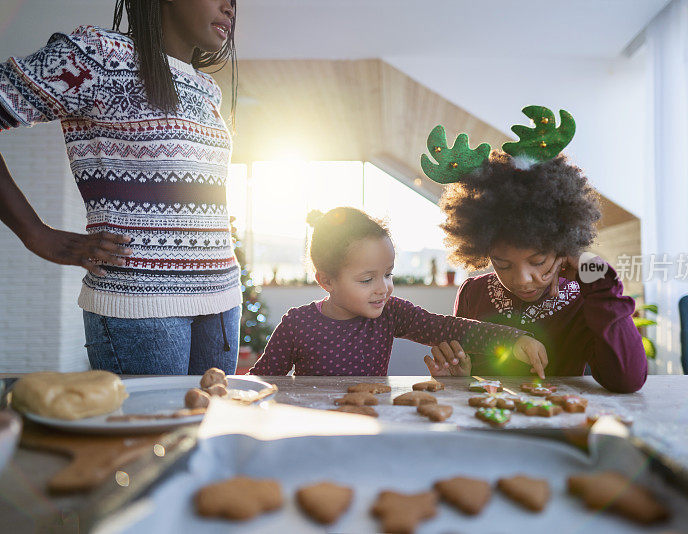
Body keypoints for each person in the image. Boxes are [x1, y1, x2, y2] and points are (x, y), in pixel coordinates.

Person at [0, 0, 242, 374]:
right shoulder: (97, 56)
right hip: (140, 308)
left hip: (222, 301)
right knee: (148, 433)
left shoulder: (207, 87)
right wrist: (35, 233)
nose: (230, 7)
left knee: (207, 430)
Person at [248, 207, 548, 376]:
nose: (383, 288)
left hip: (373, 426)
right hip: (316, 433)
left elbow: (446, 327)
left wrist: (512, 338)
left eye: (388, 274)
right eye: (367, 279)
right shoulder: (297, 324)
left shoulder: (391, 312)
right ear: (327, 281)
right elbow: (262, 380)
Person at [438, 150, 647, 392]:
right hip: (489, 425)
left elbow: (627, 380)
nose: (522, 279)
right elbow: (469, 376)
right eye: (502, 264)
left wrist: (595, 274)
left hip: (559, 424)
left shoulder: (587, 298)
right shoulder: (473, 293)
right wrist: (459, 377)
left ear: (563, 248)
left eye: (537, 261)